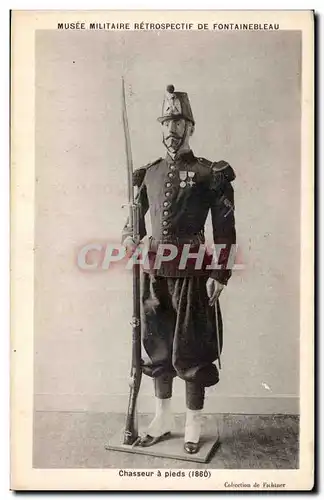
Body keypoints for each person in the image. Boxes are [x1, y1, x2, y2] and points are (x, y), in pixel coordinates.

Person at [122, 85, 236, 454]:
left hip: (193, 272)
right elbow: (134, 221)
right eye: (167, 122)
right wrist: (129, 238)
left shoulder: (210, 174)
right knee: (157, 344)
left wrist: (219, 272)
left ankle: (192, 422)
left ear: (191, 126)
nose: (172, 129)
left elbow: (225, 229)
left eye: (179, 122)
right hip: (154, 271)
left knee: (190, 346)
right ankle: (162, 418)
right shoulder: (149, 174)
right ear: (161, 127)